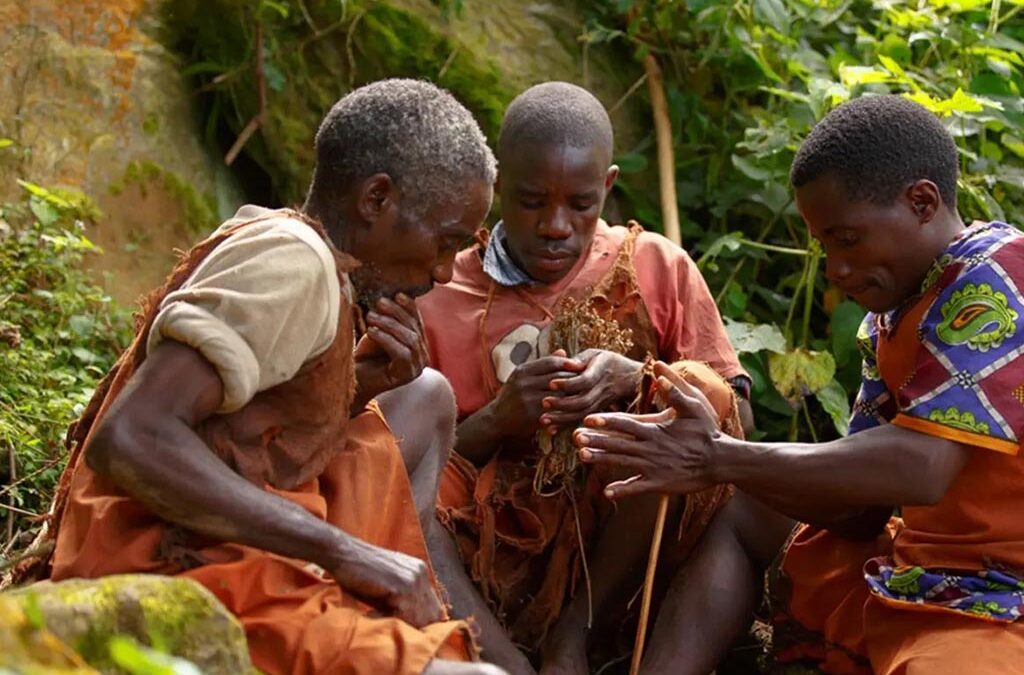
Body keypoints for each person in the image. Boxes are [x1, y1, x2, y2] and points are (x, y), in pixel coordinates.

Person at [18, 79, 507, 675]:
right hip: (186, 571)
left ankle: (387, 621)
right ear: (376, 199)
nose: (443, 271)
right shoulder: (292, 262)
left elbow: (243, 433)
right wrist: (345, 552)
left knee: (422, 395)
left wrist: (361, 385)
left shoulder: (306, 255)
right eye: (446, 241)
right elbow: (130, 437)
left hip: (229, 554)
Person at [574, 94, 1024, 674]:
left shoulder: (997, 275)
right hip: (924, 569)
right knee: (748, 512)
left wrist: (720, 456)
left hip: (1001, 597)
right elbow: (861, 509)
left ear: (922, 202)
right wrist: (726, 467)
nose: (835, 269)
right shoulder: (890, 315)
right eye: (824, 246)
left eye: (847, 239)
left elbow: (923, 467)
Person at [416, 81, 751, 674]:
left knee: (690, 388)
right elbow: (414, 459)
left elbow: (734, 419)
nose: (556, 225)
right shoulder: (439, 294)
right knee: (388, 482)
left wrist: (637, 378)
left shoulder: (654, 265)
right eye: (531, 201)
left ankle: (576, 634)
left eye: (580, 204)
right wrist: (496, 420)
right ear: (497, 186)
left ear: (609, 186)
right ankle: (505, 662)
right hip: (497, 553)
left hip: (628, 543)